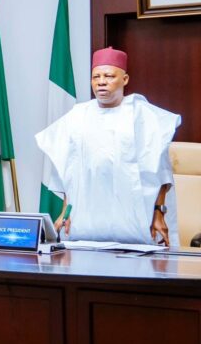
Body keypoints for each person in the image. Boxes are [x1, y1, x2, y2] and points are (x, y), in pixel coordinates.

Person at [36, 47, 181, 246]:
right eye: (96, 76)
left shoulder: (143, 115)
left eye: (109, 76)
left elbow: (161, 173)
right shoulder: (77, 116)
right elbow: (68, 170)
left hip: (136, 220)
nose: (101, 81)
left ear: (125, 79)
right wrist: (65, 212)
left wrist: (158, 212)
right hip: (87, 223)